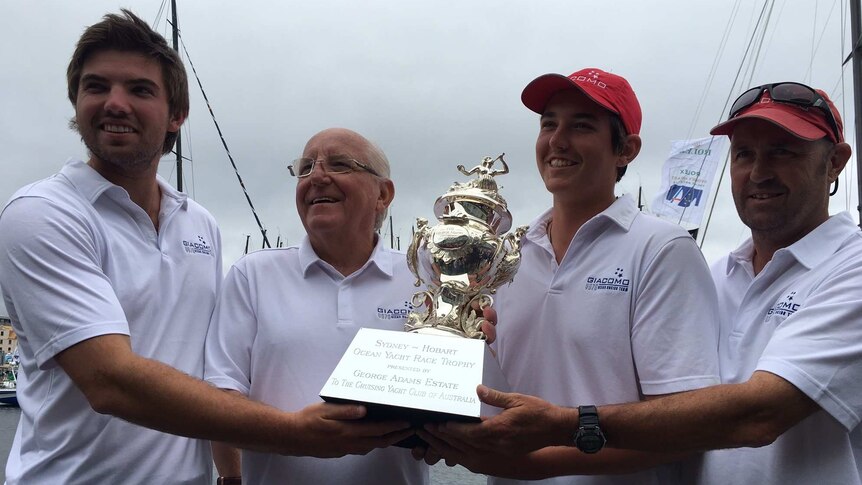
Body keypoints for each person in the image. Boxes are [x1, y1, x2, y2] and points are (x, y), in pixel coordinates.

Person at [0, 11, 409, 485]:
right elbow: (108, 381)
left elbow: (212, 366)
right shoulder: (43, 213)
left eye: (139, 89)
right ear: (76, 102)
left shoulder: (200, 225)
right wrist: (297, 434)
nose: (115, 103)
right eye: (96, 87)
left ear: (176, 115)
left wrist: (230, 476)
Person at [422, 82, 860, 484]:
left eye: (784, 152)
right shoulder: (721, 274)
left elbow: (758, 415)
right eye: (744, 154)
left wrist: (551, 440)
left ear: (835, 162)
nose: (759, 172)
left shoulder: (848, 268)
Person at [417, 68, 722, 484]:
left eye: (581, 126)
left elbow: (690, 425)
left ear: (626, 150)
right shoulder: (505, 257)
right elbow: (494, 395)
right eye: (549, 124)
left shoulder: (661, 249)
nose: (557, 141)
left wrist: (536, 464)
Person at [204, 128, 436, 484]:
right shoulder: (252, 275)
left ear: (383, 194)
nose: (317, 177)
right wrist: (236, 476)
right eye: (306, 167)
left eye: (340, 164)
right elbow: (220, 398)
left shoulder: (424, 279)